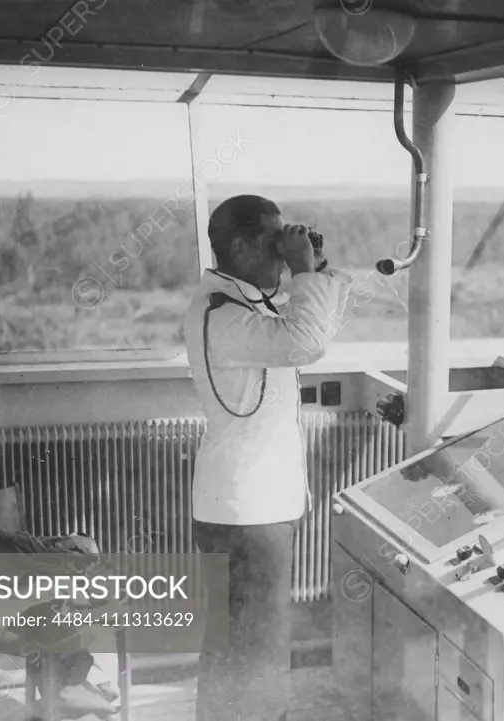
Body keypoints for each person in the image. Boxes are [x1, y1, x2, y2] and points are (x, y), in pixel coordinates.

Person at [183, 195, 349, 721]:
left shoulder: (242, 305)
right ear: (239, 245)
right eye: (272, 240)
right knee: (253, 655)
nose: (281, 253)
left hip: (251, 505)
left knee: (239, 648)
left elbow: (312, 330)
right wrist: (300, 270)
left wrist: (314, 270)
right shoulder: (223, 314)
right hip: (246, 511)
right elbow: (306, 343)